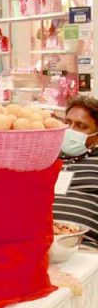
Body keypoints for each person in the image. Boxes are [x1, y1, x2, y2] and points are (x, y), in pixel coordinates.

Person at [54, 94, 98, 248]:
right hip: (38, 244)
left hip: (86, 248)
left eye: (81, 126)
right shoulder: (47, 159)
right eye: (67, 123)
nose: (70, 130)